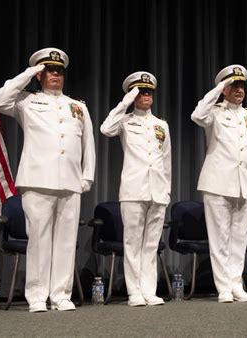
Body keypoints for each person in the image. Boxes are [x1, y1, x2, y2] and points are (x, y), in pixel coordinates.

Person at [0, 47, 96, 312]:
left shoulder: (78, 107)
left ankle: (61, 294)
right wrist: (29, 72)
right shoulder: (26, 101)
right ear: (40, 74)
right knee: (39, 239)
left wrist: (87, 177)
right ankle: (37, 296)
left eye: (59, 71)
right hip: (38, 180)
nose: (55, 75)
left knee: (66, 241)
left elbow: (88, 145)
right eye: (49, 70)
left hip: (70, 183)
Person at [191, 65, 247, 303]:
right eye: (234, 85)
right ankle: (223, 287)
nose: (239, 90)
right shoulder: (213, 112)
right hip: (217, 183)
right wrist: (219, 88)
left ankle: (236, 284)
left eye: (242, 85)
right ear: (224, 89)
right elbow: (197, 115)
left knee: (239, 237)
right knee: (219, 237)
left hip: (244, 184)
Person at [100, 71, 171, 306]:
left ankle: (149, 290)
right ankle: (134, 292)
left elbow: (166, 161)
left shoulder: (161, 125)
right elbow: (105, 129)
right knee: (132, 243)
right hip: (133, 189)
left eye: (149, 91)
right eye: (141, 91)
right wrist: (125, 102)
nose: (146, 94)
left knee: (151, 244)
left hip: (157, 190)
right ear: (133, 94)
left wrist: (166, 191)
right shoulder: (125, 121)